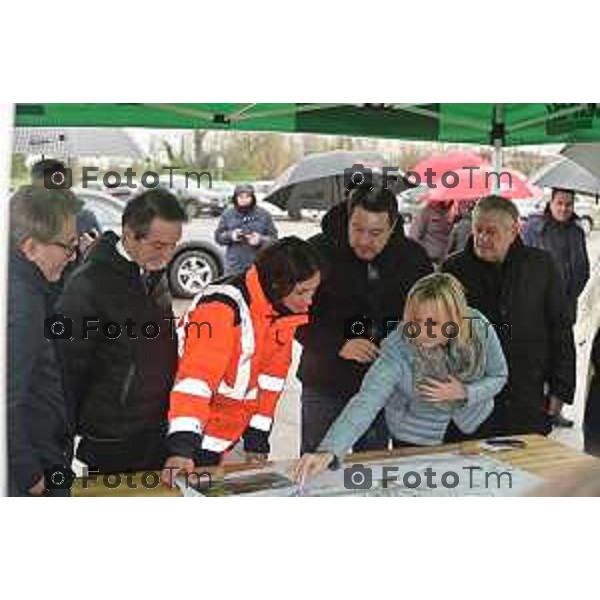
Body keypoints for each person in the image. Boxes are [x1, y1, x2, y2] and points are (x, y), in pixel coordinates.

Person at [294, 272, 508, 482]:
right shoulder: (396, 348)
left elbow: (499, 376)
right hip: (415, 433)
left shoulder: (478, 325)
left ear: (455, 319)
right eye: (416, 321)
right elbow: (366, 401)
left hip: (473, 424)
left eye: (433, 323)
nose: (422, 331)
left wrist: (465, 392)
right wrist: (329, 451)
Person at [161, 237, 320, 484]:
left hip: (225, 440)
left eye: (313, 291)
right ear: (278, 284)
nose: (309, 301)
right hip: (191, 439)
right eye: (302, 292)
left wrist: (257, 437)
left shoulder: (283, 313)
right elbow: (195, 381)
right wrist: (182, 449)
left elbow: (270, 382)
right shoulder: (220, 310)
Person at [55, 189, 186, 473]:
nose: (167, 255)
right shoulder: (89, 284)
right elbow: (66, 371)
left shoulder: (153, 271)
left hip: (158, 429)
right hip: (111, 439)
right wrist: (60, 448)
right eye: (158, 245)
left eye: (173, 245)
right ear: (128, 233)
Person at [297, 186, 433, 455]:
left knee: (369, 470)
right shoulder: (315, 252)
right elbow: (293, 316)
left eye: (375, 233)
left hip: (383, 387)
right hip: (325, 383)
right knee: (316, 467)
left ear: (393, 226)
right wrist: (339, 343)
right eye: (357, 229)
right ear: (348, 219)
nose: (364, 241)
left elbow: (428, 320)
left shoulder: (413, 259)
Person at [442, 195, 576, 436]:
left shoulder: (541, 266)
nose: (481, 238)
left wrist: (561, 389)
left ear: (514, 230)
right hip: (471, 398)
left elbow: (561, 329)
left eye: (490, 232)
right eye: (478, 230)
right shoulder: (454, 269)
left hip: (527, 395)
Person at [8, 186, 80, 496]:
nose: (72, 255)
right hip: (37, 465)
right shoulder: (22, 305)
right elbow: (6, 398)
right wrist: (29, 472)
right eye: (67, 246)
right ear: (30, 248)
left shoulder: (32, 287)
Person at [521, 188, 590, 428]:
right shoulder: (534, 228)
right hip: (536, 308)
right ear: (550, 203)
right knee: (537, 359)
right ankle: (537, 407)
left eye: (568, 204)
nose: (563, 209)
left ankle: (555, 409)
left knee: (561, 362)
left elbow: (583, 271)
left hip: (564, 309)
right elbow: (522, 264)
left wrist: (566, 299)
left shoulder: (577, 233)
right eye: (559, 203)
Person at [214, 183, 278, 275]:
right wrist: (231, 235)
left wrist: (260, 240)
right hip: (234, 266)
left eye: (247, 197)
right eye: (241, 197)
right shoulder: (228, 214)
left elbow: (274, 239)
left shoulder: (264, 214)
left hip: (258, 264)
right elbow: (218, 237)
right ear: (235, 198)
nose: (244, 200)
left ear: (252, 198)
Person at [409, 200, 453, 265]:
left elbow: (448, 236)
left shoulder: (448, 214)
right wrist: (421, 256)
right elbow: (414, 236)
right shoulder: (425, 212)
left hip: (442, 260)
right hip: (427, 259)